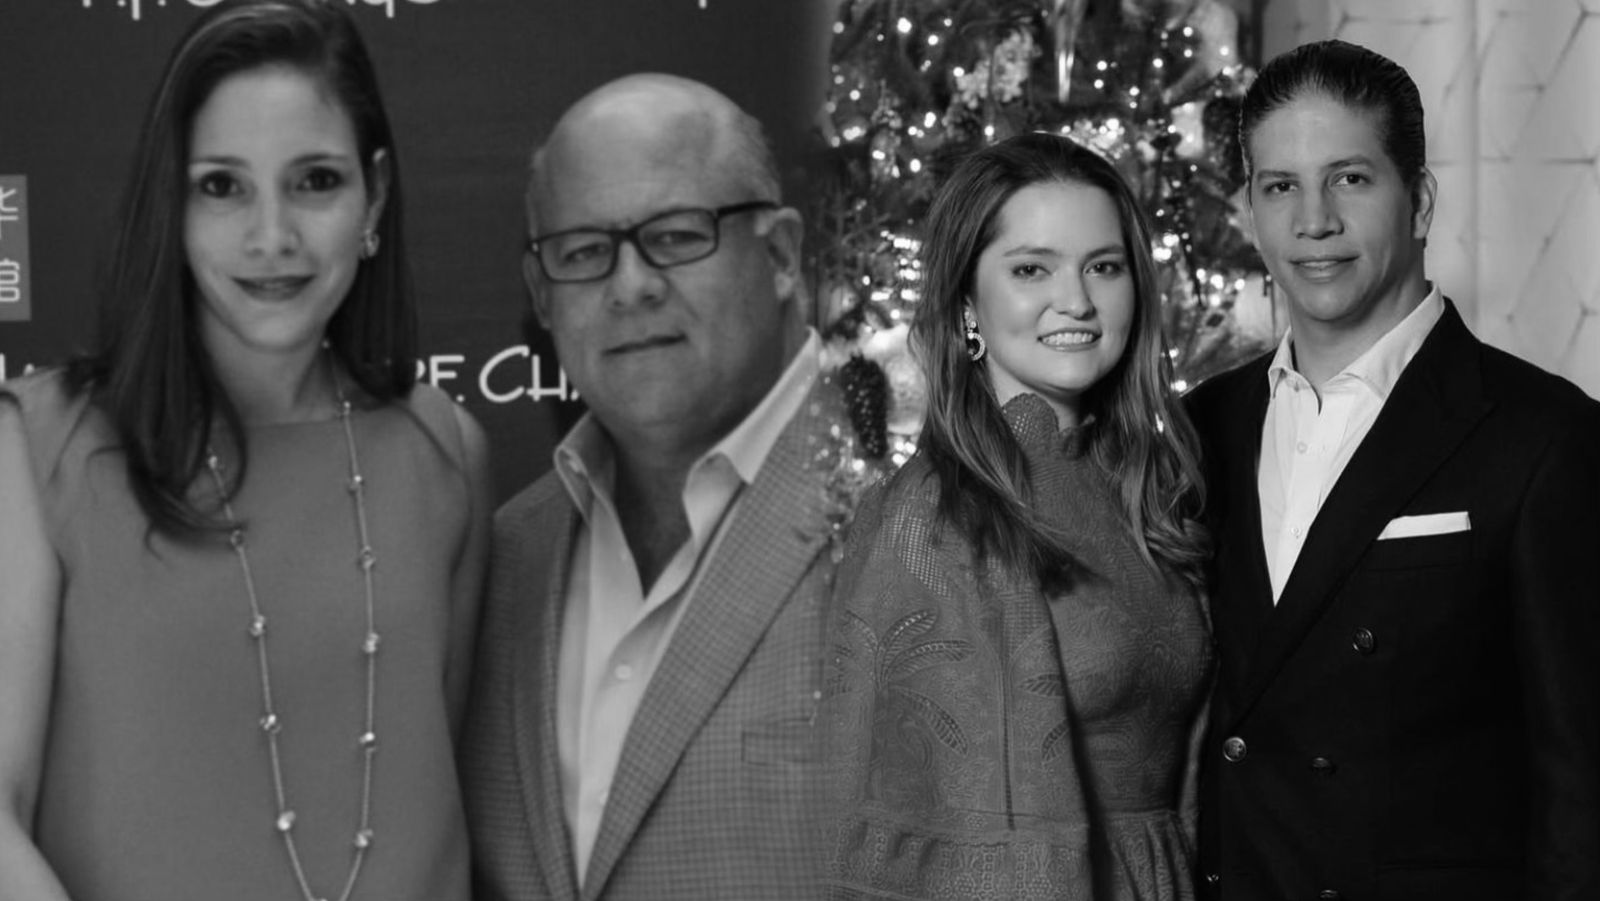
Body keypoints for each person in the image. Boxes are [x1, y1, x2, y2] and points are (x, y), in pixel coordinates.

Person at [0, 2, 491, 899]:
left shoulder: (445, 450)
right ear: (171, 205)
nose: (273, 236)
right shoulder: (34, 448)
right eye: (222, 186)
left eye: (315, 180)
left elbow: (435, 792)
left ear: (375, 197)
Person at [1187, 39, 1600, 899]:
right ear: (1249, 211)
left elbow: (1584, 783)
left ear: (1420, 202)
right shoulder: (1201, 427)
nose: (1314, 221)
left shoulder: (1545, 435)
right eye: (1280, 186)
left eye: (1350, 178)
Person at [460, 73, 880, 900]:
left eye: (678, 235)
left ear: (781, 254)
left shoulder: (928, 524)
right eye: (583, 252)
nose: (631, 285)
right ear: (542, 297)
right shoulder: (503, 561)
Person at [821, 132, 1212, 899]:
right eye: (1032, 268)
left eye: (1104, 266)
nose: (1077, 300)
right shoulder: (930, 518)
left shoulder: (1151, 488)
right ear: (968, 302)